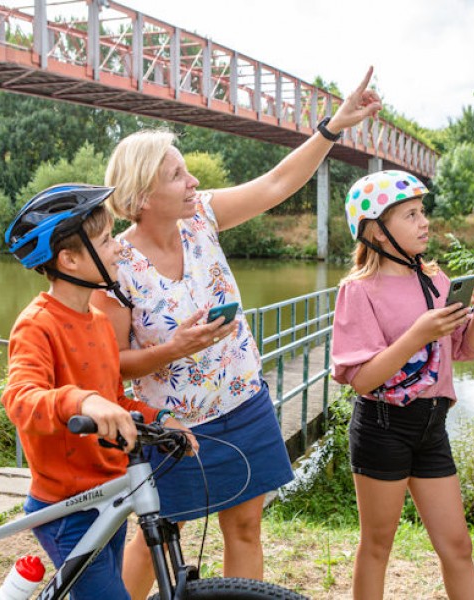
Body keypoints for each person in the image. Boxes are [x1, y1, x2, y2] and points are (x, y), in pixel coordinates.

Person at [90, 67, 382, 599]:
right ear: (143, 195)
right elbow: (108, 365)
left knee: (245, 528)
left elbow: (276, 183)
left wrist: (334, 126)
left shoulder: (201, 217)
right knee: (157, 534)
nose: (193, 182)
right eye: (178, 175)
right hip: (174, 427)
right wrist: (173, 349)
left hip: (244, 402)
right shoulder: (115, 266)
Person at [1, 184, 197, 600]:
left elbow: (114, 399)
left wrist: (161, 418)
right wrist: (81, 400)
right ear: (69, 259)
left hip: (109, 491)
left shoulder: (99, 322)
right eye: (107, 240)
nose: (118, 248)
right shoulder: (37, 325)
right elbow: (20, 400)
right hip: (65, 507)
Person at [331, 170, 474, 599]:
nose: (424, 222)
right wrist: (417, 334)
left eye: (423, 212)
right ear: (377, 232)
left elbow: (464, 350)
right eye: (411, 215)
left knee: (458, 546)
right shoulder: (359, 291)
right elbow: (362, 379)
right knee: (377, 546)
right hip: (383, 426)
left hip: (432, 426)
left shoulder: (437, 280)